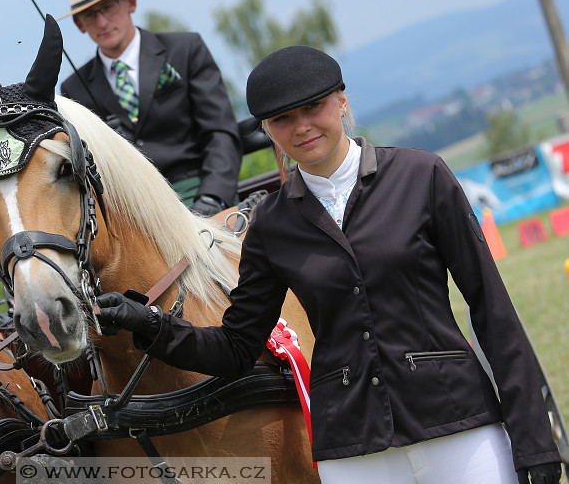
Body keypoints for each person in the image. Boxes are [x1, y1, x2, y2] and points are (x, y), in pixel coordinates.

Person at [95, 46, 563, 484]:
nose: (301, 126)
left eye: (313, 107)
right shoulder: (271, 226)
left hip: (460, 427)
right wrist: (151, 325)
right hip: (354, 454)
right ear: (267, 129)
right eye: (282, 118)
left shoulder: (423, 176)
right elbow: (236, 348)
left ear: (341, 101)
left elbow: (493, 311)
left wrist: (535, 439)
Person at [59, 0, 242, 216]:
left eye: (108, 7)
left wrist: (213, 198)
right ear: (79, 24)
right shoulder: (73, 90)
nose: (102, 22)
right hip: (135, 213)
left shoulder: (185, 50)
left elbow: (220, 132)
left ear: (131, 2)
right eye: (90, 15)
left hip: (198, 188)